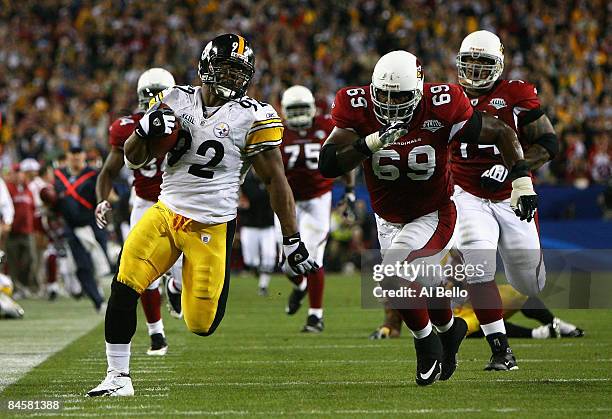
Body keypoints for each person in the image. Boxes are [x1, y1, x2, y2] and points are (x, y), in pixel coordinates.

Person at [87, 33, 318, 397]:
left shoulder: (253, 116)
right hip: (165, 212)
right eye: (224, 68)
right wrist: (144, 131)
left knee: (201, 324)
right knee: (125, 282)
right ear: (206, 66)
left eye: (238, 71)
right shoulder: (174, 98)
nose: (230, 77)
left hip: (211, 224)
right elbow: (134, 158)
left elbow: (276, 181)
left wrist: (292, 239)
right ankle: (117, 377)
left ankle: (177, 283)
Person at [319, 50, 537, 386]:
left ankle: (425, 342)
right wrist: (369, 143)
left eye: (400, 96)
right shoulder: (355, 104)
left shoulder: (443, 103)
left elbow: (502, 132)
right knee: (428, 285)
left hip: (432, 213)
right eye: (385, 95)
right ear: (373, 90)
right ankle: (451, 330)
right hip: (387, 217)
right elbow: (328, 163)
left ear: (418, 91)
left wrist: (521, 181)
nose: (391, 104)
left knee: (392, 276)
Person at [450, 30, 558, 370]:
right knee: (477, 265)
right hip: (466, 193)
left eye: (484, 64)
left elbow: (549, 144)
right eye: (470, 63)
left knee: (528, 282)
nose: (477, 71)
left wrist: (515, 171)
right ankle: (501, 350)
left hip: (512, 195)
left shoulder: (516, 93)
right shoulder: (448, 97)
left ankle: (527, 285)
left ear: (499, 65)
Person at [95, 67, 178, 356]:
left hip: (178, 201)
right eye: (150, 94)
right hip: (144, 202)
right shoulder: (126, 126)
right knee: (143, 270)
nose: (154, 100)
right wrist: (102, 199)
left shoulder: (186, 121)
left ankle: (177, 285)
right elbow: (108, 171)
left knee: (182, 268)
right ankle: (157, 334)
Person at [279, 85, 354, 332]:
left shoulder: (326, 125)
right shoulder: (275, 131)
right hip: (286, 200)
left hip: (318, 199)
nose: (299, 114)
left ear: (312, 108)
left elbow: (344, 156)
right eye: (294, 109)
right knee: (286, 264)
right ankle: (300, 286)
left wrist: (350, 191)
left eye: (303, 108)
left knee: (311, 257)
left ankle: (315, 316)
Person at [53, 146, 110, 312]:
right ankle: (97, 300)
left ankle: (95, 288)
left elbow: (102, 196)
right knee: (82, 265)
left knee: (101, 260)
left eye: (79, 155)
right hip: (72, 227)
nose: (76, 158)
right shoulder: (59, 175)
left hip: (92, 225)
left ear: (83, 156)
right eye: (72, 155)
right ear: (68, 156)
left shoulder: (93, 175)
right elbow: (55, 201)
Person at [238, 170, 276, 296]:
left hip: (268, 225)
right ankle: (256, 271)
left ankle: (263, 286)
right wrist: (239, 201)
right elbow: (234, 193)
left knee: (269, 256)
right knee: (251, 261)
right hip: (250, 225)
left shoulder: (272, 177)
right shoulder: (245, 180)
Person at [5, 164, 37, 297]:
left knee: (30, 259)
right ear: (12, 174)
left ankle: (23, 285)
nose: (19, 175)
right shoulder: (7, 189)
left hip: (27, 231)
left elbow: (33, 209)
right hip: (12, 232)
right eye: (16, 172)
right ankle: (16, 288)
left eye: (20, 172)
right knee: (12, 262)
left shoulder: (28, 189)